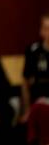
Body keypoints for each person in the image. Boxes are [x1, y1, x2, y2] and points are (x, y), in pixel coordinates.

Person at [22, 12, 49, 144]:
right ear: (41, 31)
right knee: (40, 110)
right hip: (38, 102)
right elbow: (25, 82)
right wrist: (26, 109)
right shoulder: (33, 51)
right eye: (47, 28)